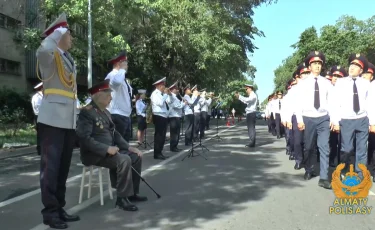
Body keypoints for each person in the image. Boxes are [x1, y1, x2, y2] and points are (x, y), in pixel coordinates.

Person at [36, 12, 80, 229]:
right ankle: (50, 212)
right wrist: (56, 33)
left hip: (68, 121)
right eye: (68, 32)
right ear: (59, 34)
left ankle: (59, 207)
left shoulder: (67, 58)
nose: (71, 37)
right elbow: (42, 50)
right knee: (50, 170)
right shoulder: (49, 54)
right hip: (52, 120)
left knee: (62, 169)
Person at [76, 80, 147, 212]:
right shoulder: (87, 112)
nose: (111, 98)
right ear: (98, 95)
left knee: (135, 156)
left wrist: (129, 147)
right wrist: (106, 149)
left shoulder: (105, 112)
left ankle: (131, 194)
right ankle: (122, 198)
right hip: (93, 154)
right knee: (124, 160)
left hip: (108, 152)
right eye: (108, 95)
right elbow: (84, 138)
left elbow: (116, 134)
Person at [294, 51, 332, 189]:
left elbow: (331, 102)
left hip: (323, 118)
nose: (317, 66)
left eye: (319, 64)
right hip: (308, 118)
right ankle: (309, 169)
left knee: (324, 147)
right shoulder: (303, 83)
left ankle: (323, 177)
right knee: (309, 147)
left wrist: (332, 119)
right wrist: (299, 120)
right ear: (309, 66)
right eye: (314, 63)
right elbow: (298, 103)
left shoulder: (327, 83)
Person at [330, 54, 370, 179]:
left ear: (361, 70)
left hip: (362, 119)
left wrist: (371, 121)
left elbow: (370, 102)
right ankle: (344, 169)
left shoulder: (366, 83)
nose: (352, 68)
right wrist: (335, 121)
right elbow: (335, 103)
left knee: (362, 149)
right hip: (346, 119)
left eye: (356, 66)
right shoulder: (341, 83)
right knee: (347, 148)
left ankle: (360, 173)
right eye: (351, 65)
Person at [105, 51, 133, 143]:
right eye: (125, 63)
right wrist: (122, 69)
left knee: (124, 146)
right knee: (117, 145)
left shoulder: (122, 77)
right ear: (119, 63)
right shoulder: (112, 75)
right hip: (117, 115)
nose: (127, 65)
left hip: (125, 115)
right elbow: (116, 83)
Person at [150, 77, 173, 160]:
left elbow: (170, 102)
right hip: (158, 116)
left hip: (163, 116)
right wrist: (166, 94)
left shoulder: (162, 94)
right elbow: (159, 103)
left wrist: (169, 95)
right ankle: (157, 153)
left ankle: (160, 152)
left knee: (162, 136)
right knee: (159, 135)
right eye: (163, 85)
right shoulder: (155, 94)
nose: (165, 87)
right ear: (159, 86)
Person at [166, 81, 185, 152]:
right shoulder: (170, 97)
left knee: (177, 132)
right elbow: (176, 106)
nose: (177, 90)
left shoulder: (176, 97)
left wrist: (182, 101)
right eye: (176, 89)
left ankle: (175, 146)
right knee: (174, 133)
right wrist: (184, 104)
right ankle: (173, 147)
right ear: (172, 90)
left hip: (177, 116)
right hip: (173, 116)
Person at [31, 82, 43, 155]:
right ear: (41, 89)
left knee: (42, 134)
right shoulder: (37, 97)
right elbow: (39, 108)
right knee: (41, 134)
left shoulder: (39, 96)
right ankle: (40, 149)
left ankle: (41, 149)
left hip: (40, 116)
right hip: (40, 116)